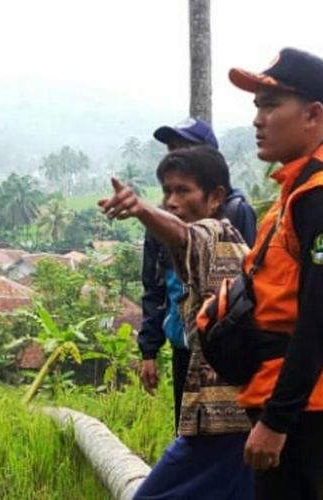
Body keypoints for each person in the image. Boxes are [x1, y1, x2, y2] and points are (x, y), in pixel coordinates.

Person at [228, 47, 323, 499]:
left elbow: (319, 318)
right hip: (297, 391)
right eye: (256, 106)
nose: (258, 119)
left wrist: (278, 421)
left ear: (313, 115)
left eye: (271, 105)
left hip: (307, 401)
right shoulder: (304, 185)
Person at [100, 146, 253, 499]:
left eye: (183, 191)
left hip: (222, 421)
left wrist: (140, 209)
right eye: (167, 191)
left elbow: (186, 236)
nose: (171, 201)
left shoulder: (216, 235)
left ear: (215, 197)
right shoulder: (220, 242)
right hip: (239, 416)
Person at [139, 117, 257, 433]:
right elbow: (154, 285)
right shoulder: (160, 220)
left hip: (223, 347)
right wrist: (149, 349)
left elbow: (249, 282)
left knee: (225, 433)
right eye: (172, 150)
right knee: (188, 427)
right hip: (184, 342)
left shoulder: (234, 212)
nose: (177, 157)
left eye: (186, 149)